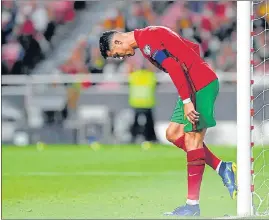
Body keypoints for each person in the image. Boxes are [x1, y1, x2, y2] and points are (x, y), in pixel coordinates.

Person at [99, 26, 237, 217]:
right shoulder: (149, 35)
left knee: (192, 140)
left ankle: (192, 206)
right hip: (193, 85)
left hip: (200, 85)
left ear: (117, 42)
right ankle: (223, 167)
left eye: (116, 54)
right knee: (172, 134)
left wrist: (189, 99)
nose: (121, 58)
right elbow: (192, 47)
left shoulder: (147, 43)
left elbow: (173, 66)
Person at [128, 68, 158, 143]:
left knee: (136, 123)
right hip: (147, 103)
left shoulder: (134, 76)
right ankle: (151, 138)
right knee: (149, 124)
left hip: (136, 103)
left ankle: (133, 138)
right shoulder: (151, 76)